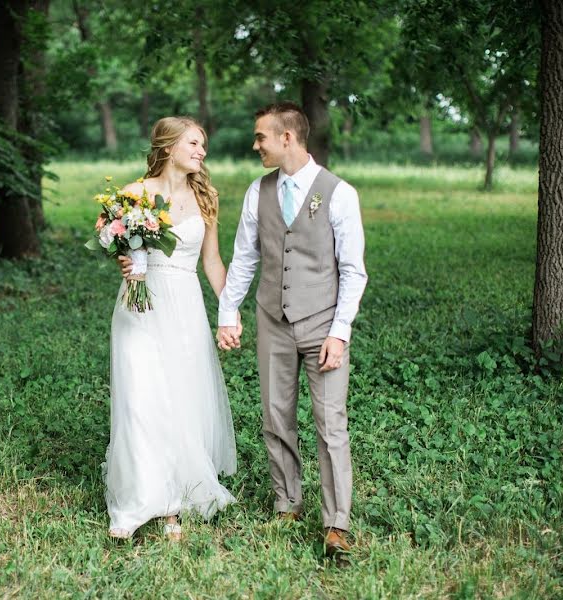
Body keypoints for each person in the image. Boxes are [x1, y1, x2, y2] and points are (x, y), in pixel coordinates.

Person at [216, 102, 368, 556]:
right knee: (275, 417)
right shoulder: (256, 192)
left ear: (287, 138)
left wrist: (339, 333)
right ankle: (287, 504)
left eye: (261, 136)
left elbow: (353, 270)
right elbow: (245, 257)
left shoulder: (338, 193)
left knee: (330, 424)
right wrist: (228, 313)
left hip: (322, 325)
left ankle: (337, 523)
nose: (255, 144)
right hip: (272, 321)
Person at [107, 116, 239, 541]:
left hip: (184, 305)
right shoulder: (132, 195)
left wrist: (230, 310)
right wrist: (123, 258)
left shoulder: (206, 199)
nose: (202, 152)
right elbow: (110, 237)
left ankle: (175, 503)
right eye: (195, 144)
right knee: (140, 398)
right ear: (168, 148)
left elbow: (213, 262)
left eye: (203, 145)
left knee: (181, 399)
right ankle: (142, 499)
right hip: (139, 307)